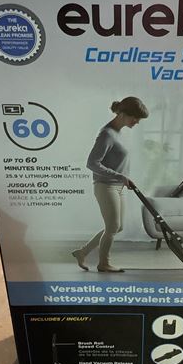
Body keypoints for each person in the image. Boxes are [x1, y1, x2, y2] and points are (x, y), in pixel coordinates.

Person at [71, 96, 149, 272]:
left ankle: (82, 252)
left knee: (117, 227)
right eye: (135, 117)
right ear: (122, 114)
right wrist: (119, 176)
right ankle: (103, 264)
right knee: (113, 226)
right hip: (105, 186)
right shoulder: (106, 134)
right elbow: (92, 163)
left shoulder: (119, 133)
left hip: (118, 186)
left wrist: (122, 179)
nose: (137, 122)